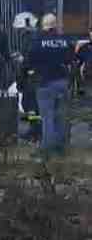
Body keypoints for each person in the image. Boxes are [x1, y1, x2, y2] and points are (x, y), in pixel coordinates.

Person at [27, 14, 75, 155]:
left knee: (47, 116)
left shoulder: (38, 41)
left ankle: (47, 147)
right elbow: (72, 58)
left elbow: (30, 60)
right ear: (55, 26)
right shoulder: (64, 41)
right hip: (62, 81)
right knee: (60, 115)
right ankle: (60, 146)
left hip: (45, 83)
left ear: (43, 26)